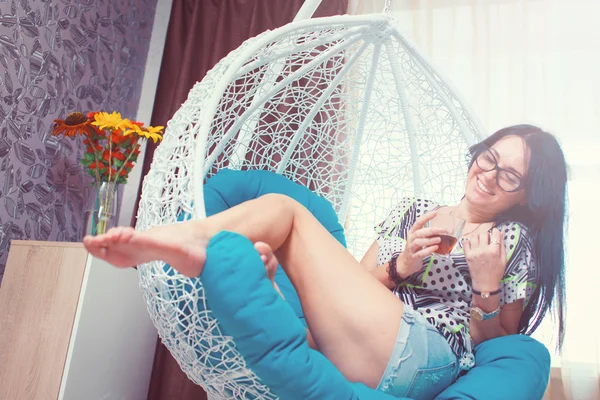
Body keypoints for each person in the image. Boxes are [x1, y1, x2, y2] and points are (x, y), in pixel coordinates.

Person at [84, 124, 567, 399]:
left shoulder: (514, 240)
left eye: (509, 177)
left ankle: (186, 241)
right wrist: (399, 265)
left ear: (526, 196)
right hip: (366, 343)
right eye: (488, 158)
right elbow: (359, 281)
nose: (488, 176)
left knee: (289, 214)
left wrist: (485, 286)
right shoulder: (415, 210)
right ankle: (238, 268)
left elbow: (493, 346)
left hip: (428, 356)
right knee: (285, 248)